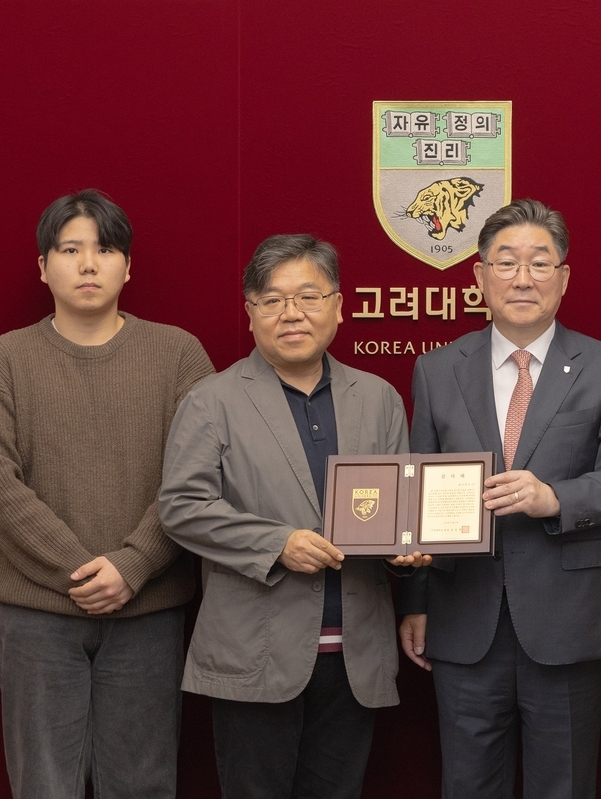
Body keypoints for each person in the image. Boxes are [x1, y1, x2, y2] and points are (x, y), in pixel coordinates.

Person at [0, 189, 214, 798]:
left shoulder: (179, 355)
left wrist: (133, 564)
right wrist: (81, 571)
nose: (89, 264)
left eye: (105, 248)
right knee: (45, 783)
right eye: (70, 249)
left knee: (144, 781)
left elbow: (198, 476)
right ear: (43, 266)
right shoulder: (1, 363)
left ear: (129, 265)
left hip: (148, 610)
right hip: (36, 616)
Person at [396, 199, 601, 799]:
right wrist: (414, 599)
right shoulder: (437, 370)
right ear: (479, 276)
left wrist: (553, 497)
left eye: (540, 263)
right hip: (463, 616)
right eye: (505, 262)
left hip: (569, 618)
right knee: (467, 784)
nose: (522, 277)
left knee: (563, 786)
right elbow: (419, 486)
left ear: (564, 277)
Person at [158, 234, 428, 799]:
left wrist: (407, 556)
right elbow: (181, 507)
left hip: (356, 656)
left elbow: (401, 512)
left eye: (308, 296)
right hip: (255, 653)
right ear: (251, 311)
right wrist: (277, 543)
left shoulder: (378, 397)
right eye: (274, 299)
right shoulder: (212, 400)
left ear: (338, 305)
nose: (292, 313)